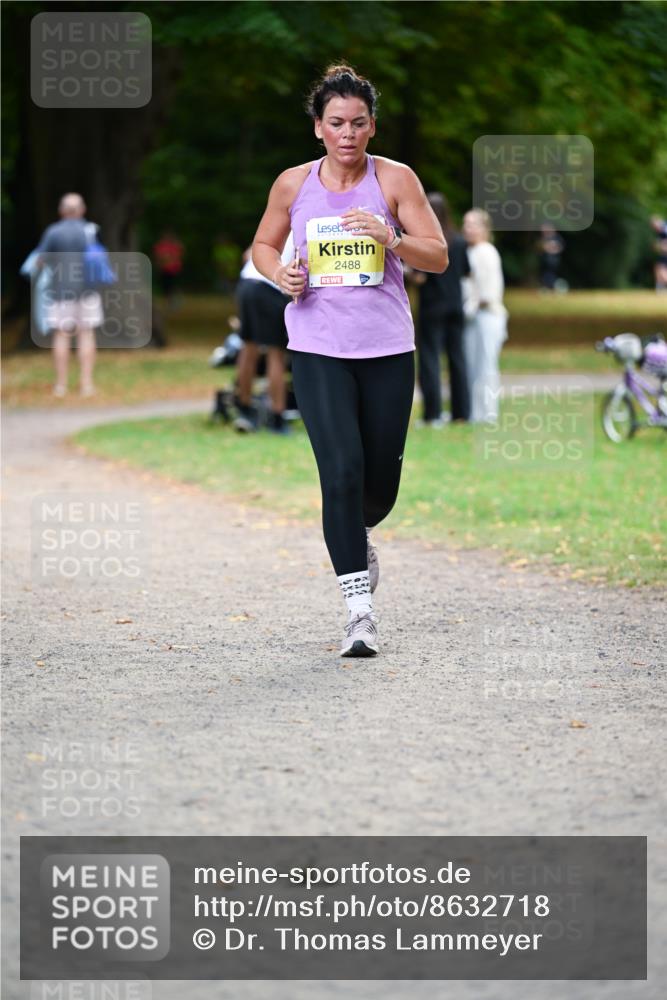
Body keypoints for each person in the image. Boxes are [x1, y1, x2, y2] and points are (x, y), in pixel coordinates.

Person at [252, 64, 447, 657]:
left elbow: (436, 256)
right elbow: (261, 245)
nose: (348, 133)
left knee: (375, 489)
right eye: (336, 122)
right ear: (318, 127)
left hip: (387, 348)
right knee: (339, 473)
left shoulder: (395, 180)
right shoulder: (293, 185)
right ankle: (359, 613)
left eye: (358, 123)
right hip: (317, 347)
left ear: (372, 127)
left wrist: (391, 238)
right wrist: (278, 272)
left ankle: (359, 531)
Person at [35, 192, 104, 398]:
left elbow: (40, 261)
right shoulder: (90, 230)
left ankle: (61, 386)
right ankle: (86, 385)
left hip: (61, 291)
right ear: (82, 210)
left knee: (62, 335)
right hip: (88, 290)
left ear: (62, 210)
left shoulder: (53, 232)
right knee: (86, 334)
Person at [410, 193, 470, 424]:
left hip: (432, 306)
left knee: (429, 359)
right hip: (456, 305)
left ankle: (433, 413)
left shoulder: (428, 243)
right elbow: (466, 272)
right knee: (457, 359)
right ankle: (461, 412)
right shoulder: (459, 240)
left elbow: (420, 277)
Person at [233, 241, 292, 435]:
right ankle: (277, 417)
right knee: (276, 353)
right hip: (270, 288)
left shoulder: (278, 221)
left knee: (248, 347)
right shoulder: (307, 222)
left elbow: (248, 254)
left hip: (247, 284)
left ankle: (245, 408)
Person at [462, 208, 508, 423]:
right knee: (473, 365)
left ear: (484, 228)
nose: (468, 229)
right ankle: (475, 412)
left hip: (487, 315)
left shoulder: (486, 252)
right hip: (473, 317)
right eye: (466, 224)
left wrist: (469, 306)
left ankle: (488, 412)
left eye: (473, 224)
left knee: (486, 365)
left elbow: (488, 292)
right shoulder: (470, 251)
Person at [153, 230, 184, 306]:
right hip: (164, 269)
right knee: (165, 286)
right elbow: (158, 257)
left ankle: (173, 300)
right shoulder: (160, 246)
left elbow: (178, 254)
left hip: (173, 269)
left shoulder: (173, 245)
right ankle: (169, 300)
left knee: (171, 285)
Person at [537, 223, 565, 291]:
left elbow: (560, 248)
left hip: (553, 261)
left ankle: (553, 287)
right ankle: (547, 288)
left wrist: (550, 248)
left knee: (551, 275)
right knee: (545, 275)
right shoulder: (544, 238)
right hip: (544, 261)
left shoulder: (557, 237)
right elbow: (539, 248)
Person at [650, 215, 667, 292]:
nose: (654, 228)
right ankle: (660, 287)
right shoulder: (661, 230)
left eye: (654, 225)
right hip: (664, 253)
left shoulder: (664, 229)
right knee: (658, 268)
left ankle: (660, 287)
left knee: (660, 269)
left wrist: (658, 246)